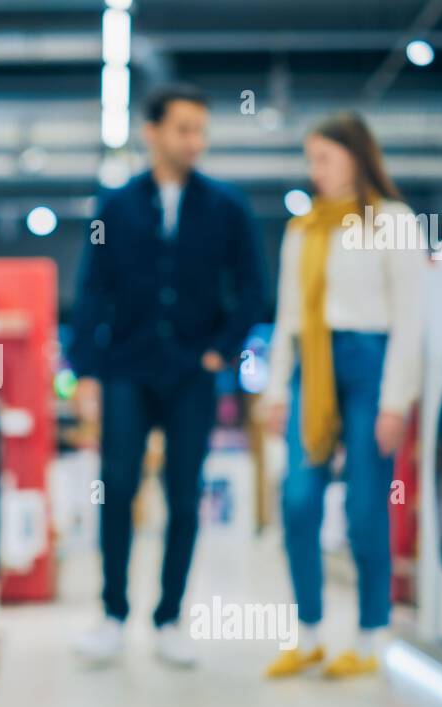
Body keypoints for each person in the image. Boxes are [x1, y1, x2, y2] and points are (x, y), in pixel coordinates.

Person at [68, 83, 266, 665]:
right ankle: (112, 613)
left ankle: (169, 618)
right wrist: (85, 372)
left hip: (191, 374)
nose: (194, 141)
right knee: (119, 487)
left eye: (201, 130)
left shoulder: (227, 208)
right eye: (183, 129)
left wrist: (221, 350)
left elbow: (254, 290)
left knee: (184, 495)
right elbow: (91, 291)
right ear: (151, 132)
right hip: (125, 368)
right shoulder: (115, 206)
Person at [261, 112, 424, 679]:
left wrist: (396, 401)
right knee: (298, 502)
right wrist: (277, 388)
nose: (316, 170)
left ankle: (371, 635)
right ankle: (309, 632)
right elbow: (286, 317)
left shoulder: (394, 221)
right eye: (311, 160)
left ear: (356, 156)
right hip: (314, 368)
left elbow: (410, 320)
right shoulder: (303, 229)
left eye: (324, 158)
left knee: (363, 509)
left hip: (371, 367)